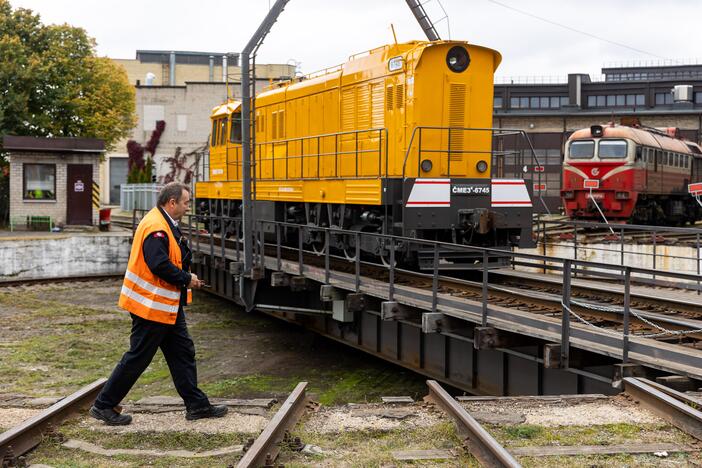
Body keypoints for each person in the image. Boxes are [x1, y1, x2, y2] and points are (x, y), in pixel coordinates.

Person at [90, 182, 227, 425]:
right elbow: (159, 264)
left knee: (183, 353)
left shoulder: (162, 223)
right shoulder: (157, 228)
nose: (188, 208)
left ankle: (197, 406)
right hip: (151, 307)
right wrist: (187, 279)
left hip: (165, 307)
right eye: (185, 203)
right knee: (138, 357)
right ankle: (103, 405)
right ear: (171, 202)